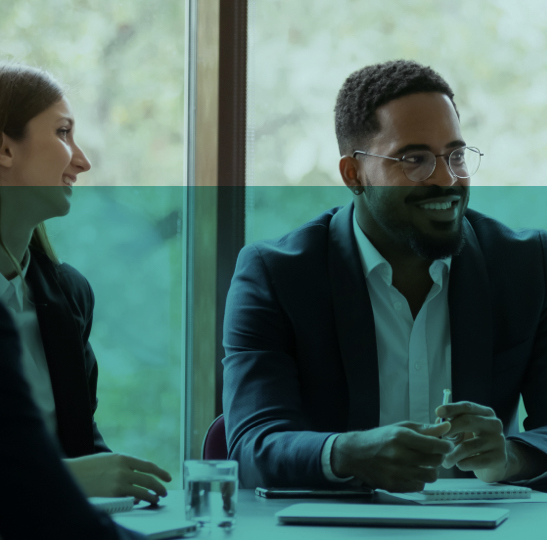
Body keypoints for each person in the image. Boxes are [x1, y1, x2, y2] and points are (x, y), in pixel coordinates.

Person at [222, 59, 547, 492]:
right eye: (414, 159)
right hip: (336, 530)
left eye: (455, 155)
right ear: (354, 174)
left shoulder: (526, 264)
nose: (446, 179)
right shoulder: (276, 275)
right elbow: (252, 444)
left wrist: (510, 456)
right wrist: (348, 453)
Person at [0, 60, 170, 532]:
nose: (81, 160)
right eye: (63, 133)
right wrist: (67, 478)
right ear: (2, 147)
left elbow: (83, 448)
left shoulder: (68, 296)